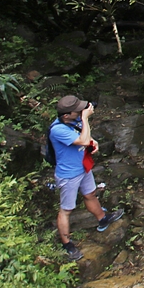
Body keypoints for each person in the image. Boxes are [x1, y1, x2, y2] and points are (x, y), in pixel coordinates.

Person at [49, 95, 123, 261]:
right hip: (68, 175)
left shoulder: (71, 122)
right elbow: (82, 139)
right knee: (66, 210)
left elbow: (83, 137)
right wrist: (85, 119)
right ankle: (67, 244)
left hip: (82, 167)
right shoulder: (57, 129)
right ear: (66, 115)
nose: (81, 111)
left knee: (90, 194)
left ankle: (102, 219)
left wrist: (93, 141)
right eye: (77, 111)